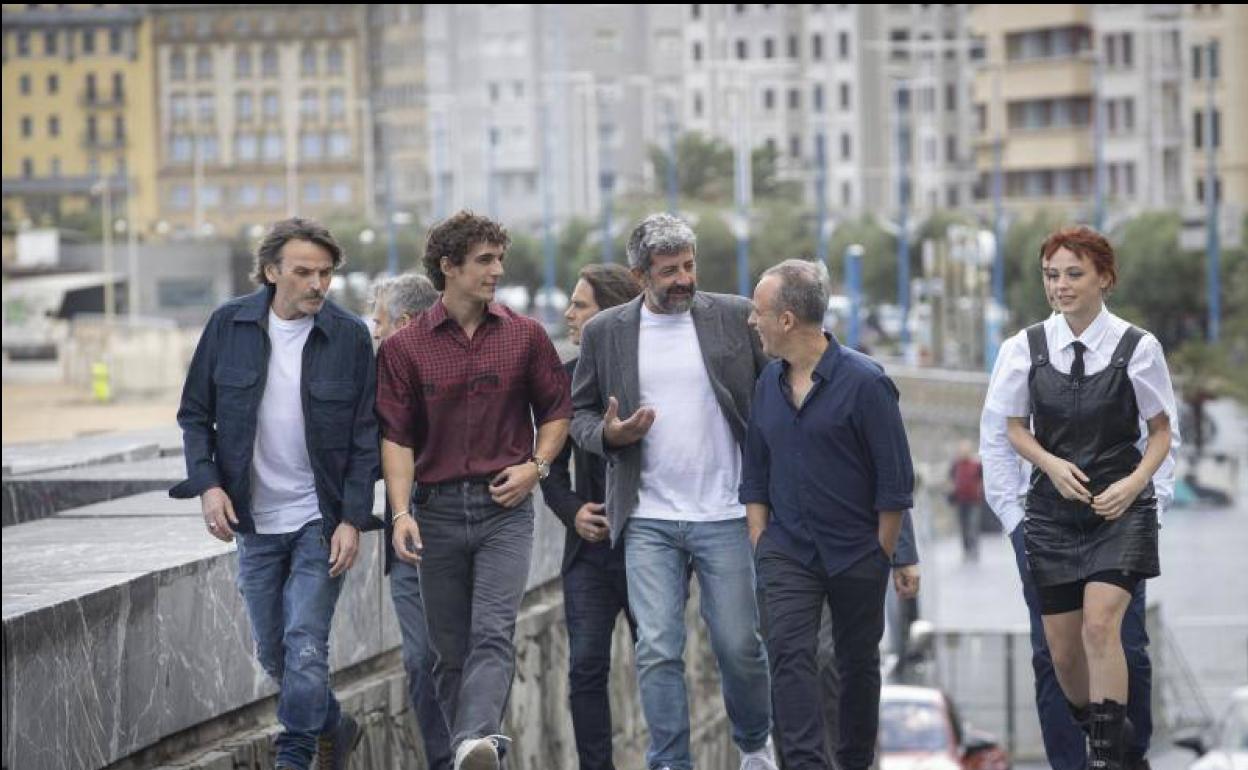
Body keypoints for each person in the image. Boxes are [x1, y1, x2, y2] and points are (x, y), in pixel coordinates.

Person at [171, 217, 380, 770]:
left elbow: (366, 438)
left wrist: (352, 519)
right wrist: (209, 487)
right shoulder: (227, 326)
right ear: (271, 272)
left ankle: (294, 755)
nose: (317, 284)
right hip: (255, 522)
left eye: (326, 273)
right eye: (303, 272)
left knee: (307, 643)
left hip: (320, 519)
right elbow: (195, 417)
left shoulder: (350, 336)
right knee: (274, 651)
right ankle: (336, 724)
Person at [570, 213, 777, 770]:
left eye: (689, 266)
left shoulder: (734, 317)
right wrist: (611, 435)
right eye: (669, 271)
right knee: (658, 649)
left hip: (728, 512)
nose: (683, 278)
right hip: (647, 516)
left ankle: (755, 744)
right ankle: (669, 761)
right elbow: (580, 416)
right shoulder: (605, 332)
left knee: (739, 646)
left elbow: (779, 393)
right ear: (640, 276)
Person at [376, 211, 571, 770]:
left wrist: (536, 465)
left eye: (498, 259)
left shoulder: (526, 335)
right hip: (434, 512)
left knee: (492, 632)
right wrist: (399, 514)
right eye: (484, 260)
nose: (497, 270)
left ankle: (471, 743)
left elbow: (556, 411)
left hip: (503, 509)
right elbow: (397, 438)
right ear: (448, 266)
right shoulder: (405, 349)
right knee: (447, 654)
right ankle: (467, 753)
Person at [983, 225, 1178, 769]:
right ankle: (1106, 726)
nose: (1060, 286)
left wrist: (1137, 488)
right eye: (1052, 275)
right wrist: (1045, 466)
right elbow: (1012, 429)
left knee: (1104, 629)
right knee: (1062, 654)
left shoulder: (1139, 349)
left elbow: (1162, 431)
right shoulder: (1023, 349)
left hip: (1119, 511)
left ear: (1104, 279)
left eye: (1073, 274)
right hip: (1049, 516)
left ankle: (1105, 755)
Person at [740, 260, 915, 770]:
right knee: (790, 659)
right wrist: (760, 538)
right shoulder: (767, 385)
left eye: (758, 312)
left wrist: (880, 554)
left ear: (787, 319)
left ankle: (855, 761)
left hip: (856, 555)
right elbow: (755, 471)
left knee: (854, 666)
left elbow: (895, 483)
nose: (753, 321)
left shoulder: (867, 384)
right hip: (787, 553)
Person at [541, 263, 643, 770]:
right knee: (584, 668)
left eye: (580, 305)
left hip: (650, 544)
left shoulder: (650, 373)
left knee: (659, 662)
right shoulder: (562, 379)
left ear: (611, 314)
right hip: (590, 552)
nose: (569, 313)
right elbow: (547, 468)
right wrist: (573, 511)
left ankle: (670, 759)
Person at [370, 273, 453, 770]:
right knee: (421, 660)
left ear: (402, 322)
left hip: (465, 531)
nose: (374, 332)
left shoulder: (459, 361)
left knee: (468, 661)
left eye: (378, 321)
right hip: (405, 540)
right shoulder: (374, 377)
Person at [949, 440, 984, 562]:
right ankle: (966, 549)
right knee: (963, 526)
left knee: (973, 525)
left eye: (966, 450)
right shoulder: (955, 465)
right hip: (960, 500)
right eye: (962, 450)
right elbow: (951, 479)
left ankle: (974, 549)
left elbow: (982, 478)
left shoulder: (976, 464)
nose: (964, 452)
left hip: (974, 500)